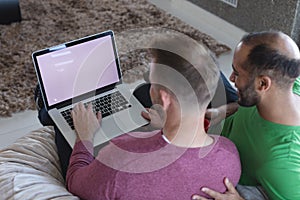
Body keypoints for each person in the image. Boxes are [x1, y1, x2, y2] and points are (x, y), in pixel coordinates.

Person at [65, 34, 241, 199]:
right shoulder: (230, 155)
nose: (149, 87)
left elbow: (75, 182)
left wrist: (84, 137)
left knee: (52, 118)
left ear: (164, 99)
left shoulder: (119, 159)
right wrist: (164, 125)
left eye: (152, 82)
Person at [192, 31, 300, 200]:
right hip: (226, 123)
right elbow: (245, 105)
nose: (231, 77)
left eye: (237, 73)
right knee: (197, 65)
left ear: (263, 83)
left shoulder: (280, 164)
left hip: (225, 164)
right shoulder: (289, 85)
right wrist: (222, 111)